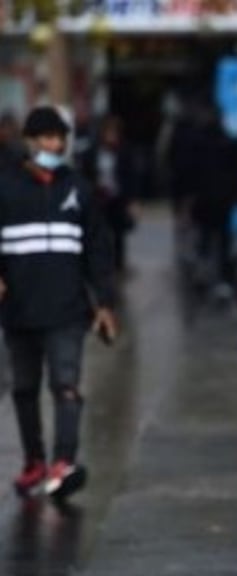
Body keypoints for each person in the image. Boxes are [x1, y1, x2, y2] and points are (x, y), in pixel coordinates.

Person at [0, 106, 118, 500]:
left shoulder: (78, 189)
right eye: (47, 138)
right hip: (19, 309)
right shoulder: (6, 187)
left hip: (68, 310)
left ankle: (63, 462)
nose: (55, 145)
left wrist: (104, 302)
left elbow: (98, 248)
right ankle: (34, 462)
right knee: (24, 389)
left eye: (59, 138)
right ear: (30, 142)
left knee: (66, 385)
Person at [80, 115, 138, 273]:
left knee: (118, 234)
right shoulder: (93, 152)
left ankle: (119, 264)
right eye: (108, 133)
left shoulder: (124, 152)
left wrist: (131, 201)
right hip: (99, 199)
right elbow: (87, 174)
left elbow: (130, 176)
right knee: (100, 232)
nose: (111, 137)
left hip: (117, 198)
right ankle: (101, 262)